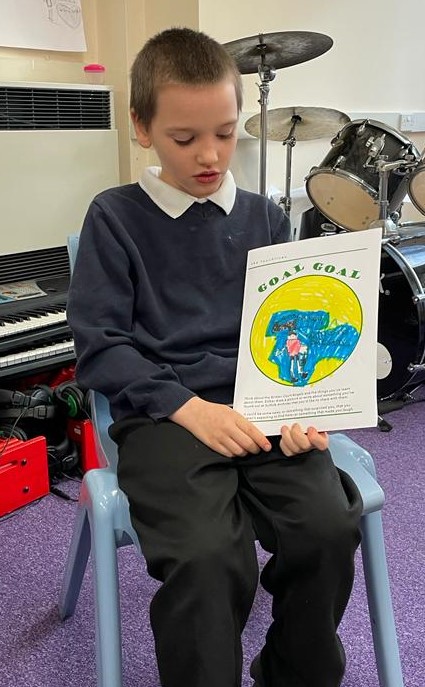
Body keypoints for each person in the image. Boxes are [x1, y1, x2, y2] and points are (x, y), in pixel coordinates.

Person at [67, 27, 362, 687]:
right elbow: (99, 345)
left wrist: (305, 401)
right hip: (163, 417)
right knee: (208, 555)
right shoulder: (114, 217)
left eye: (225, 134)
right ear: (142, 128)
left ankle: (291, 670)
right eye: (184, 138)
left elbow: (293, 333)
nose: (209, 155)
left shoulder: (264, 218)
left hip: (261, 409)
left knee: (324, 525)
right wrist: (187, 407)